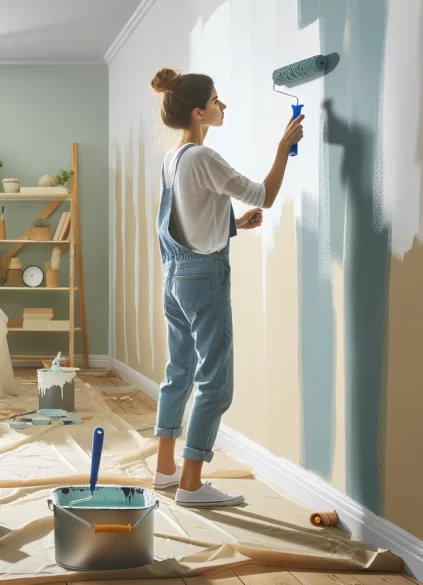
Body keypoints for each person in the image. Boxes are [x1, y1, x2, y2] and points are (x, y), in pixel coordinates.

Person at [149, 67, 304, 507]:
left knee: (179, 372)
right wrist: (283, 147)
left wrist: (232, 225)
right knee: (216, 383)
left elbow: (186, 219)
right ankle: (192, 485)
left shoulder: (173, 159)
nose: (223, 107)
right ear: (199, 112)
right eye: (217, 101)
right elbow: (265, 194)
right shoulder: (203, 157)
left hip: (174, 277)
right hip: (203, 279)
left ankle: (165, 469)